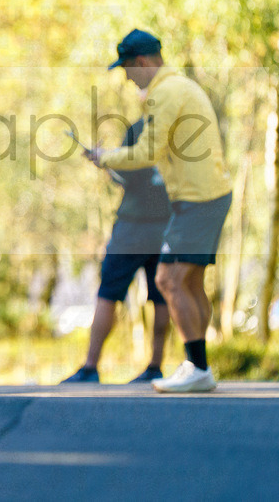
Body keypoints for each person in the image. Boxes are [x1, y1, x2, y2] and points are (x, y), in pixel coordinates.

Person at [87, 29, 232, 393]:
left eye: (127, 70)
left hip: (198, 201)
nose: (126, 78)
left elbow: (146, 152)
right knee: (190, 283)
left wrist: (105, 158)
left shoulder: (164, 92)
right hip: (206, 196)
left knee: (167, 279)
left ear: (141, 63)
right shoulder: (179, 87)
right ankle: (200, 367)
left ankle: (196, 367)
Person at [61, 117, 172, 384]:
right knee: (161, 297)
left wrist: (104, 161)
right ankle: (156, 367)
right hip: (168, 223)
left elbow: (126, 177)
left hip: (132, 228)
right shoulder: (181, 124)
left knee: (109, 293)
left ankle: (90, 367)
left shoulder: (140, 127)